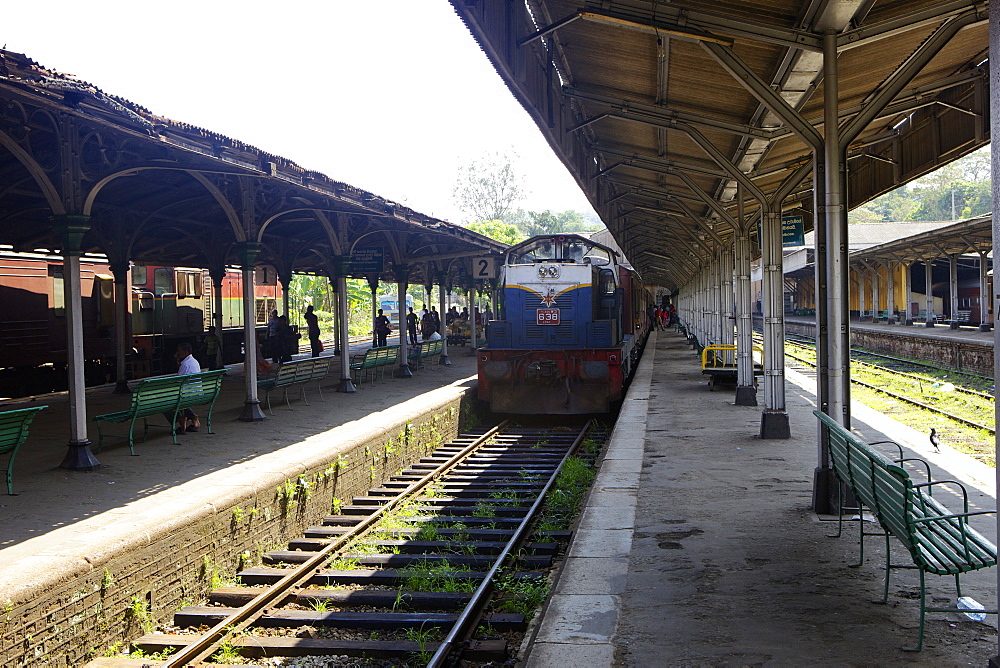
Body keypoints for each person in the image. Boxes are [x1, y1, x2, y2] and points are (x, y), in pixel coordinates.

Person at [173, 342, 201, 433]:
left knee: (168, 403)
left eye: (179, 351)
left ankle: (182, 421)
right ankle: (193, 418)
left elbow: (179, 382)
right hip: (197, 392)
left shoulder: (185, 365)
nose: (177, 353)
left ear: (185, 352)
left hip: (188, 394)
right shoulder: (195, 361)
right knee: (181, 400)